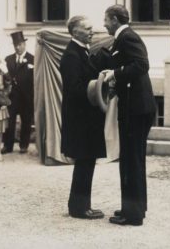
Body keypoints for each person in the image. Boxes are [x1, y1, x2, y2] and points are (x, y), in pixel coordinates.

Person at [102, 5, 156, 226]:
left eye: (105, 19)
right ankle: (135, 207)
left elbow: (142, 64)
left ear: (114, 19)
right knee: (133, 159)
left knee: (131, 161)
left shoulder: (126, 36)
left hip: (136, 108)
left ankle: (132, 215)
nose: (104, 23)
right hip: (135, 106)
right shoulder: (123, 37)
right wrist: (116, 80)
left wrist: (114, 74)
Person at [60, 16, 106, 220]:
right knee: (84, 163)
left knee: (87, 163)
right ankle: (79, 208)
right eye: (87, 28)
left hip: (86, 118)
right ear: (75, 31)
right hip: (81, 119)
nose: (92, 31)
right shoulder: (72, 55)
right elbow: (75, 89)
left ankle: (81, 205)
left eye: (91, 27)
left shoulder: (82, 52)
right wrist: (98, 85)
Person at [2, 31, 34, 154]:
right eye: (15, 45)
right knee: (10, 122)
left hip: (26, 96)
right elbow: (4, 78)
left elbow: (35, 80)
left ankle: (23, 145)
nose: (18, 47)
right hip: (12, 97)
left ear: (24, 44)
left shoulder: (32, 59)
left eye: (20, 44)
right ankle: (7, 146)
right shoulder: (8, 59)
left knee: (26, 121)